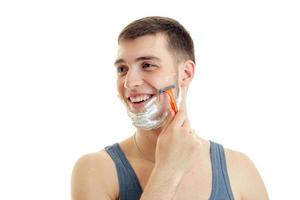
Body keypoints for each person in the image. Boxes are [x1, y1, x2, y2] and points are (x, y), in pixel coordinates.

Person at [71, 16, 268, 200]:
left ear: (185, 73)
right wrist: (168, 171)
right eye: (122, 69)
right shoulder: (95, 170)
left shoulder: (240, 169)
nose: (129, 83)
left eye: (147, 65)